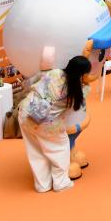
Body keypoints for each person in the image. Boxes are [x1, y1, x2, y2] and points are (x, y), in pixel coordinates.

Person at [19, 55, 91, 193]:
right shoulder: (79, 91)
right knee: (60, 149)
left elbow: (33, 82)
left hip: (26, 113)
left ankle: (42, 185)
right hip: (47, 124)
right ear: (82, 74)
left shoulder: (55, 73)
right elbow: (75, 109)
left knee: (35, 151)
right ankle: (60, 183)